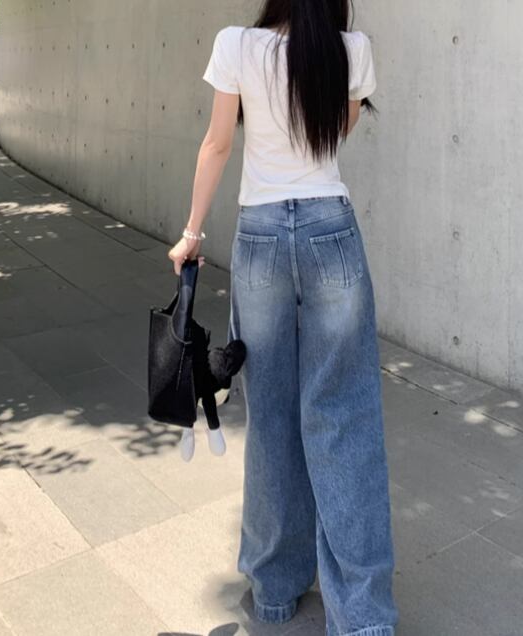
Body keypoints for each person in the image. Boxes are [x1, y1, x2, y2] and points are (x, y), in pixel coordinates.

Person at [167, 2, 399, 634]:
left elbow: (218, 143)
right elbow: (331, 136)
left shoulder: (237, 44)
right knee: (344, 416)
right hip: (330, 229)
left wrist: (192, 232)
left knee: (269, 414)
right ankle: (363, 618)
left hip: (261, 235)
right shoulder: (350, 50)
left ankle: (274, 588)